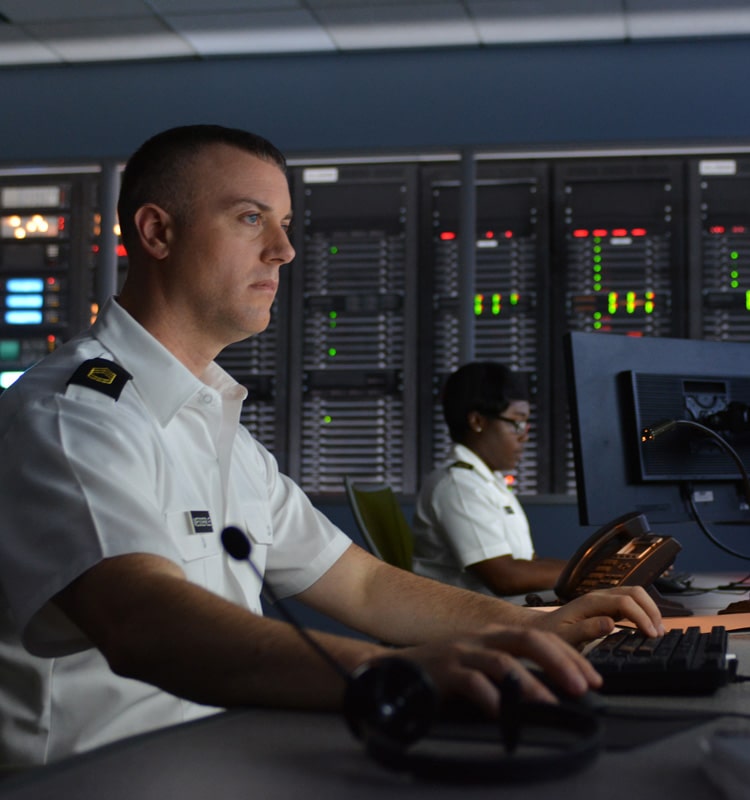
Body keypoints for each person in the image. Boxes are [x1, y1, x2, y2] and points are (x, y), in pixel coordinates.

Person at [0, 125, 663, 768]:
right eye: (252, 218)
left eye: (286, 223)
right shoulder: (73, 415)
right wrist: (387, 672)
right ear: (156, 232)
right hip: (99, 775)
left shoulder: (218, 431)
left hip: (220, 754)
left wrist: (534, 628)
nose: (285, 250)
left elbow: (364, 584)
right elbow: (140, 620)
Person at [413, 362, 568, 598]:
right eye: (516, 423)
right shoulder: (459, 486)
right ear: (477, 421)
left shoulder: (487, 480)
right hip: (472, 624)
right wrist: (589, 573)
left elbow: (527, 562)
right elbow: (506, 578)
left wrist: (595, 570)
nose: (524, 437)